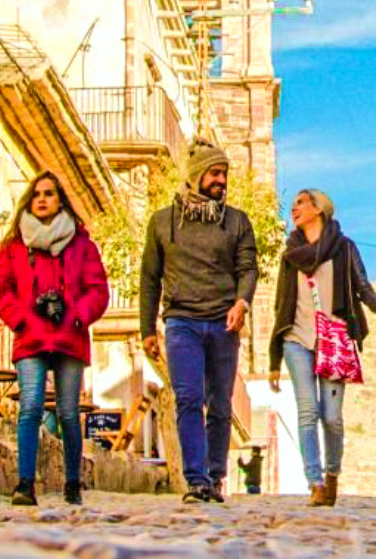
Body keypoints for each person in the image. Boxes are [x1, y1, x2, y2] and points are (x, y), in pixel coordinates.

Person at [139, 139, 259, 504]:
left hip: (224, 322)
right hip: (181, 323)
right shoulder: (162, 222)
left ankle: (215, 476)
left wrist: (242, 302)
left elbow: (248, 268)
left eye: (224, 173)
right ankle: (196, 480)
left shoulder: (237, 221)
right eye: (214, 173)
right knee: (189, 398)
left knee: (220, 404)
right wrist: (147, 329)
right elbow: (150, 278)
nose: (221, 180)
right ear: (195, 176)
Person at [268, 188, 376, 507]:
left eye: (301, 202)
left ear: (319, 209)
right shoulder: (290, 254)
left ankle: (333, 473)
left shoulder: (344, 248)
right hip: (296, 340)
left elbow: (362, 286)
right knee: (307, 411)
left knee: (331, 416)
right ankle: (315, 483)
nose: (294, 208)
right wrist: (273, 359)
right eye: (293, 204)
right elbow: (281, 305)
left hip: (334, 341)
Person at [0, 171, 110, 507]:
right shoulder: (13, 247)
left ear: (61, 200)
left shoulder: (83, 246)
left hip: (70, 337)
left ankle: (72, 482)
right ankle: (25, 483)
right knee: (29, 408)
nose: (42, 199)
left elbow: (98, 290)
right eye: (37, 194)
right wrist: (21, 319)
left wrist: (77, 315)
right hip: (30, 337)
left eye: (49, 193)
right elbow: (1, 291)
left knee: (69, 413)